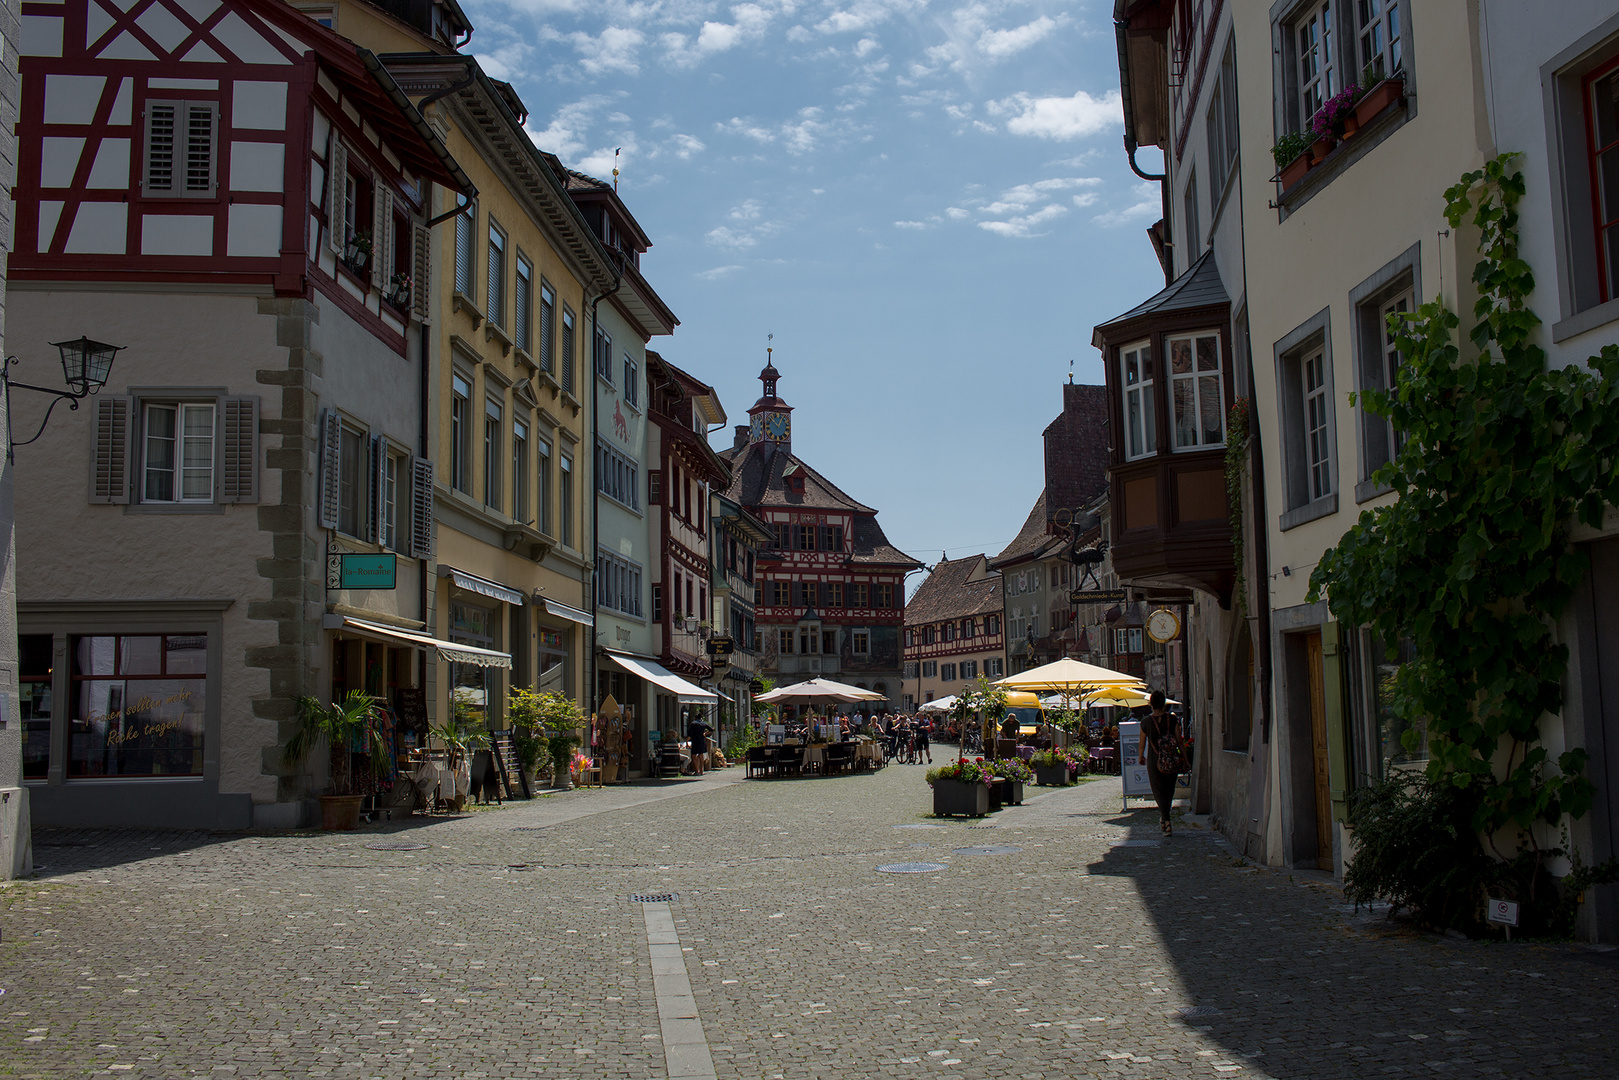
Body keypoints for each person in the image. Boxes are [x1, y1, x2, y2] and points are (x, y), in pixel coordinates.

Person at [1140, 691, 1181, 835]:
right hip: (1171, 758)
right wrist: (1185, 759)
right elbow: (1179, 740)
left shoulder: (1145, 722)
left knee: (1158, 790)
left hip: (1154, 759)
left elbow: (1142, 743)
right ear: (1164, 703)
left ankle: (1166, 820)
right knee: (1169, 790)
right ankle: (1166, 819)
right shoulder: (1172, 720)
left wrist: (1141, 757)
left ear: (1151, 703)